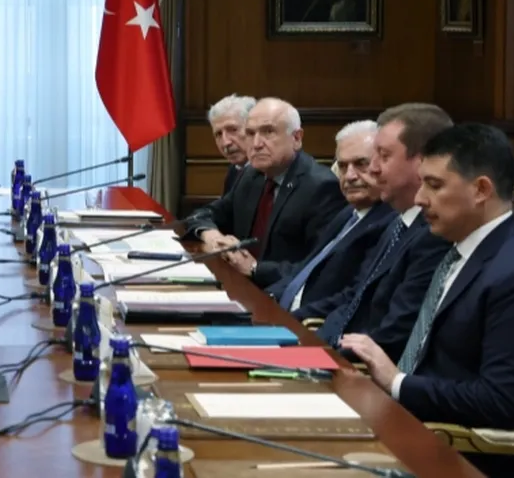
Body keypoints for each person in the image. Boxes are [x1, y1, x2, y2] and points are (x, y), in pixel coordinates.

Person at [343, 124, 514, 478]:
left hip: (466, 459)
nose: (420, 199)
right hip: (412, 428)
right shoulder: (459, 250)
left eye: (434, 185)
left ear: (481, 190)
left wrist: (397, 381)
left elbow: (500, 402)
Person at [294, 103, 454, 361]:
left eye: (383, 156)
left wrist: (321, 355)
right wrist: (309, 345)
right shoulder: (398, 223)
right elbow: (354, 298)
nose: (374, 168)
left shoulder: (434, 235)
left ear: (422, 161)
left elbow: (393, 335)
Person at [240, 120, 393, 310]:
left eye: (361, 164)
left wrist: (287, 316)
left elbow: (352, 299)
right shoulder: (347, 214)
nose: (350, 176)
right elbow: (304, 271)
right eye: (343, 166)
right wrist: (265, 300)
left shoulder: (388, 224)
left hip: (308, 321)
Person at [185, 97, 344, 264]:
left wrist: (254, 268)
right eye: (250, 133)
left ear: (296, 138)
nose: (256, 144)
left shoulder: (322, 187)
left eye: (268, 132)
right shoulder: (251, 176)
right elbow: (203, 215)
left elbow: (318, 268)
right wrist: (212, 236)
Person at [206, 94, 255, 195]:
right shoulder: (234, 170)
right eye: (218, 134)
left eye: (233, 130)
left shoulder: (272, 173)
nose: (225, 143)